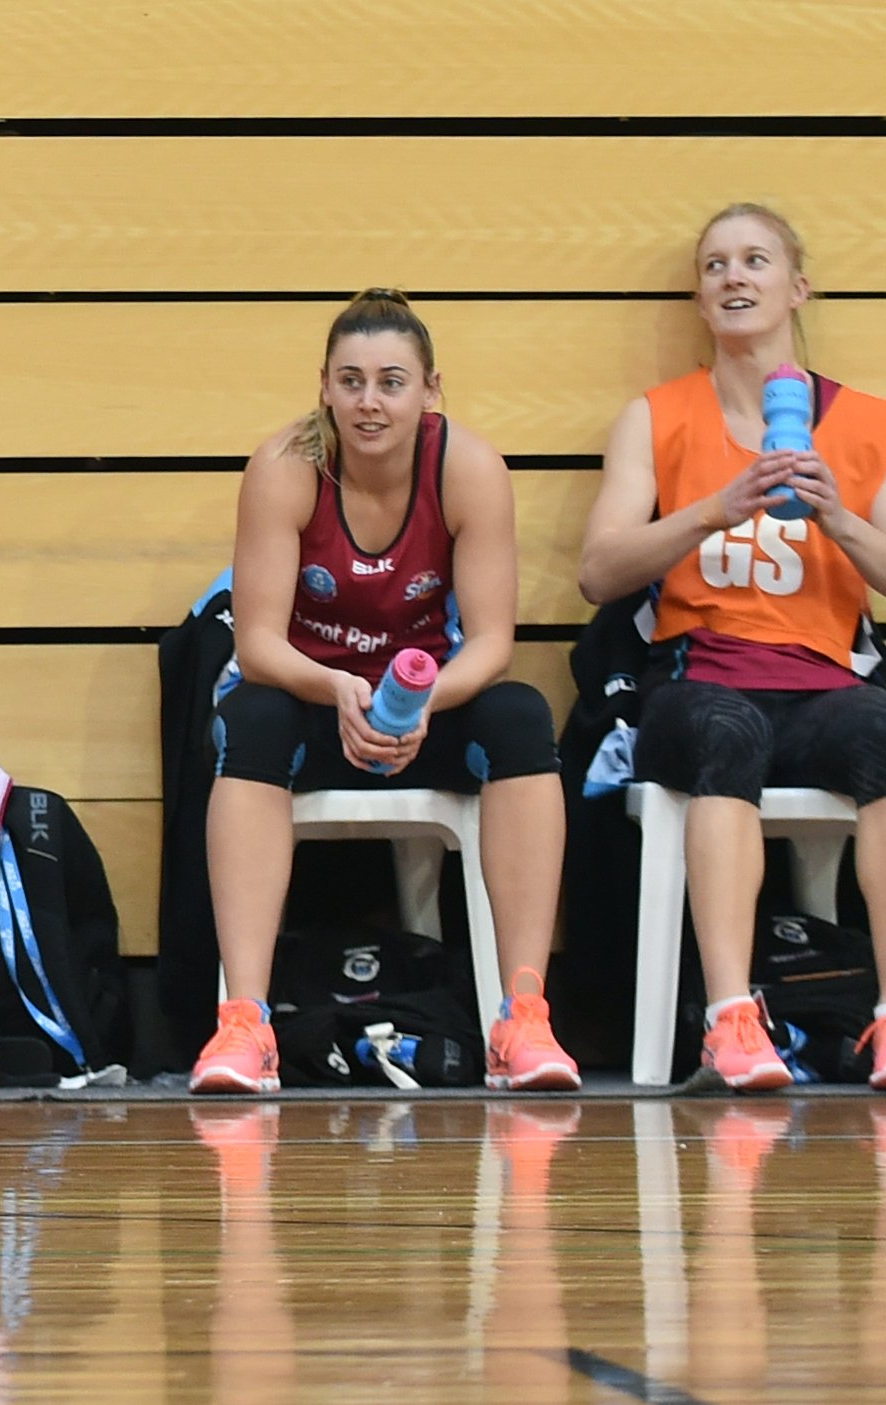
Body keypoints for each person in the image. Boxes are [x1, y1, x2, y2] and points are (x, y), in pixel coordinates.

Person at [578, 203, 886, 1093]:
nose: (733, 277)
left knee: (882, 730)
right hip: (695, 679)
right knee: (726, 729)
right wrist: (713, 506)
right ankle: (731, 1017)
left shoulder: (865, 424)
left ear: (796, 287)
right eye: (715, 266)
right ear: (702, 302)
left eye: (754, 261)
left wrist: (837, 515)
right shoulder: (658, 416)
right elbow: (598, 569)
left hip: (819, 683)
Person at [189, 289, 575, 1096]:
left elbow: (495, 642)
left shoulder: (468, 468)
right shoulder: (284, 467)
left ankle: (525, 1016)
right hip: (311, 692)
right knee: (248, 722)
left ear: (431, 390)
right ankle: (245, 1023)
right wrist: (336, 687)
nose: (370, 401)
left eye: (392, 381)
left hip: (424, 698)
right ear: (324, 386)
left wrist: (425, 703)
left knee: (521, 718)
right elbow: (256, 643)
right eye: (352, 380)